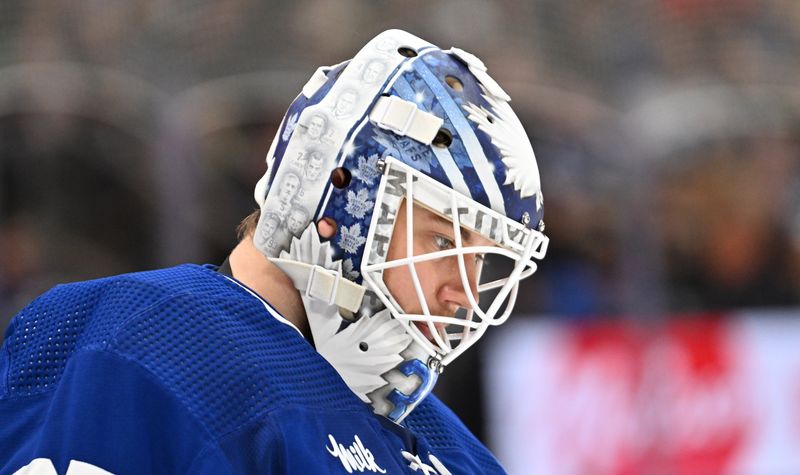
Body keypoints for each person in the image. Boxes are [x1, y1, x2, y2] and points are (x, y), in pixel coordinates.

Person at [0, 30, 548, 474]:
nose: (465, 291)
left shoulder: (453, 451)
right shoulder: (151, 340)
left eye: (482, 256)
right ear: (341, 200)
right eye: (445, 240)